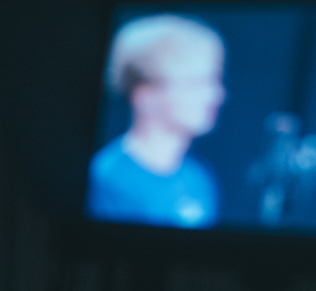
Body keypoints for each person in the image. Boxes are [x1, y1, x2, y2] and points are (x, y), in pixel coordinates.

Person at [86, 14, 226, 228]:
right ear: (145, 95)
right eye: (196, 84)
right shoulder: (107, 178)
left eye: (213, 82)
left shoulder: (198, 179)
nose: (215, 95)